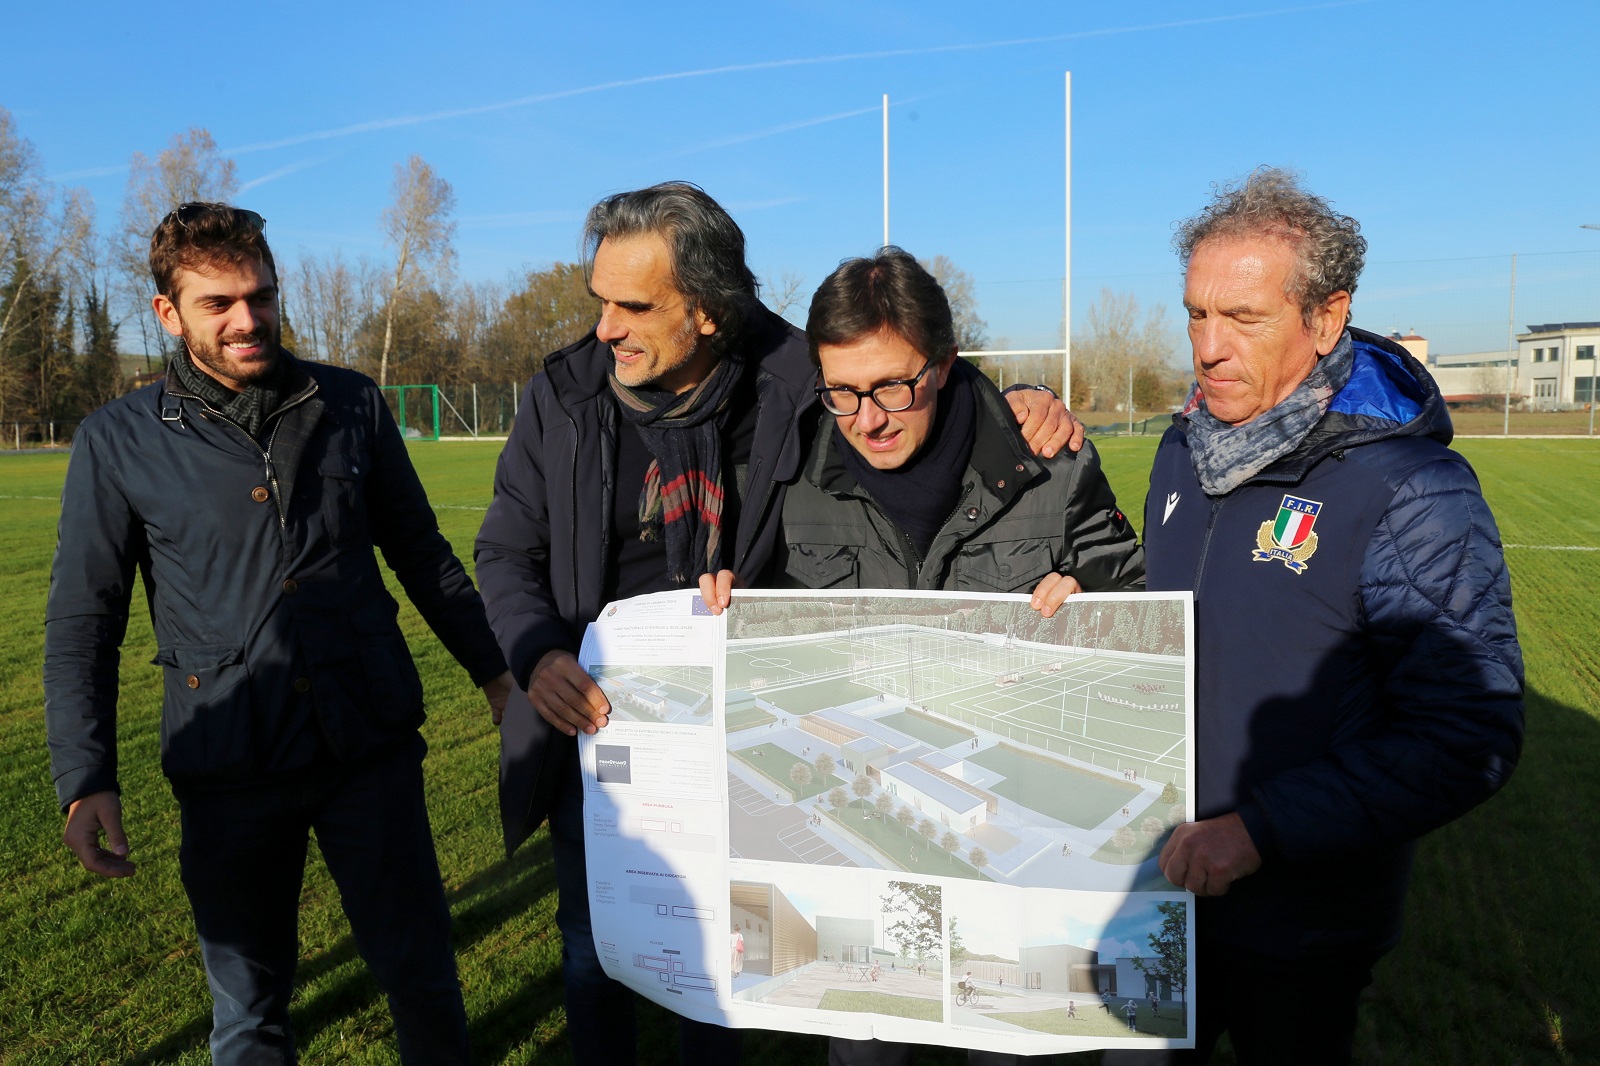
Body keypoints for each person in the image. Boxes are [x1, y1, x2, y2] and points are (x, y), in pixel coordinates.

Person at [474, 183, 1079, 1066]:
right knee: (591, 954)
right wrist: (536, 652)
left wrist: (1020, 404)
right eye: (599, 300)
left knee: (735, 965)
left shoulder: (797, 380)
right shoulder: (563, 396)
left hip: (756, 739)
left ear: (710, 311)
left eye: (634, 305)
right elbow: (503, 553)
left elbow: (910, 381)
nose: (605, 327)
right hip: (595, 735)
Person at [43, 202, 514, 1064]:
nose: (246, 319)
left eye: (259, 295)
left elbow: (423, 556)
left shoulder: (348, 402)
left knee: (420, 971)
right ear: (167, 312)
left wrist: (497, 678)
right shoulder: (117, 440)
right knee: (248, 1009)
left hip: (366, 745)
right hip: (228, 760)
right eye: (217, 302)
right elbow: (84, 617)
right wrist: (85, 774)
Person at [1106, 169, 1524, 1065]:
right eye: (1195, 314)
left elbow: (1468, 733)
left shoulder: (1412, 491)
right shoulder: (1182, 452)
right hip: (1159, 890)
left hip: (1300, 926)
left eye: (1243, 320)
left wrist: (1262, 830)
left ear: (1326, 318)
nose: (1207, 348)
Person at [701, 248, 1144, 1066]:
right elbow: (762, 627)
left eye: (891, 386)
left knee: (1011, 1046)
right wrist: (721, 608)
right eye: (841, 392)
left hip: (1009, 845)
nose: (867, 417)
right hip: (860, 840)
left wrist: (1092, 605)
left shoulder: (1049, 461)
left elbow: (1136, 599)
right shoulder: (789, 476)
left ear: (944, 364)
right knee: (864, 1044)